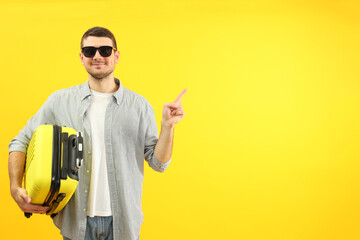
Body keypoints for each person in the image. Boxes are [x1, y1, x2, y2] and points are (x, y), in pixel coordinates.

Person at [8, 26, 186, 240]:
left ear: (116, 56)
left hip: (124, 224)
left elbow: (159, 163)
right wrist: (15, 186)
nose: (98, 56)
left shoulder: (140, 106)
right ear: (81, 57)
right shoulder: (60, 101)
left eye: (105, 50)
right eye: (90, 51)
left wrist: (168, 126)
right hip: (76, 224)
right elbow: (21, 141)